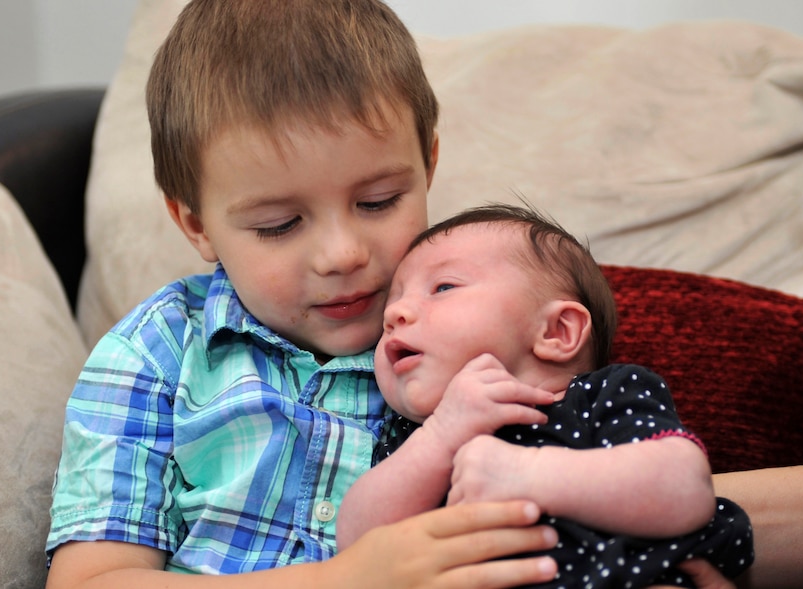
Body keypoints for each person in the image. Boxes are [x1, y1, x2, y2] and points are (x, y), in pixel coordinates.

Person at [43, 2, 563, 587]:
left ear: (428, 166)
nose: (342, 255)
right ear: (196, 225)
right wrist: (350, 578)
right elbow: (88, 581)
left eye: (379, 201)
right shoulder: (155, 355)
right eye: (279, 224)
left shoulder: (477, 321)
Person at [337, 204, 754, 588]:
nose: (394, 315)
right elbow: (356, 548)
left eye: (443, 287)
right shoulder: (412, 439)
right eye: (394, 301)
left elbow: (686, 489)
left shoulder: (600, 397)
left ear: (556, 333)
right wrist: (442, 434)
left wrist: (526, 474)